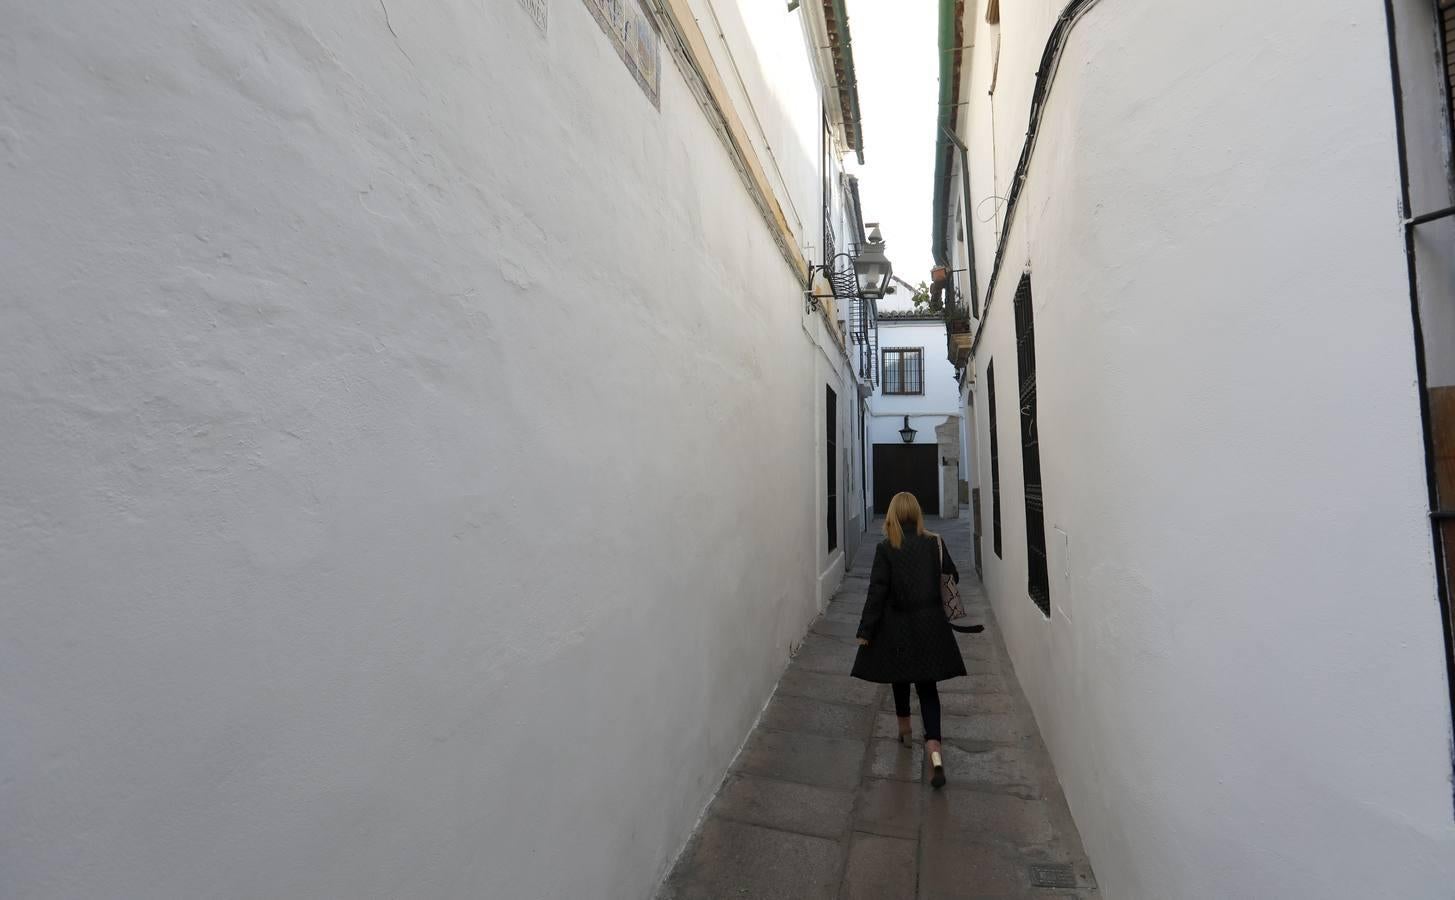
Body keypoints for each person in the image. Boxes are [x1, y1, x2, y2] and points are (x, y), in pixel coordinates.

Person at [851, 492, 967, 788]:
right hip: (931, 626)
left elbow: (877, 592)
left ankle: (904, 729)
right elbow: (951, 576)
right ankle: (935, 749)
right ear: (917, 514)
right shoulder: (934, 543)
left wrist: (866, 631)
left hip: (898, 627)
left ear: (891, 515)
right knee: (928, 686)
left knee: (899, 677)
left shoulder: (887, 548)